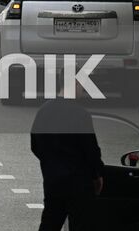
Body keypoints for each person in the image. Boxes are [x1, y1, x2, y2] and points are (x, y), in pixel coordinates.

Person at [30, 97, 103, 231]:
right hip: (79, 182)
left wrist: (50, 164)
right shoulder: (81, 113)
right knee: (81, 224)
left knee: (50, 222)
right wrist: (96, 175)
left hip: (54, 181)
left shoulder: (44, 110)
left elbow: (35, 144)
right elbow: (91, 149)